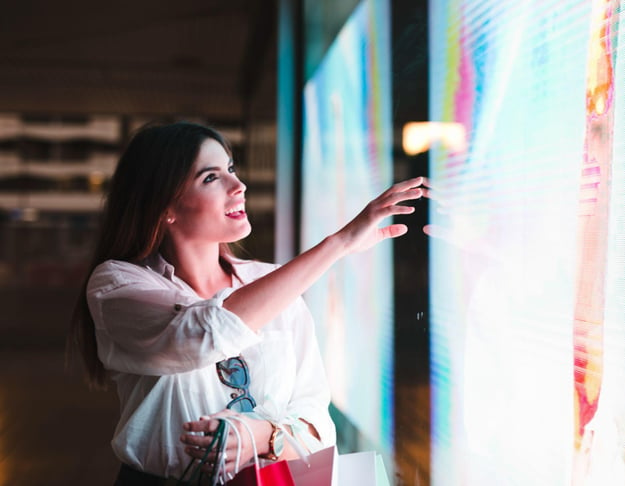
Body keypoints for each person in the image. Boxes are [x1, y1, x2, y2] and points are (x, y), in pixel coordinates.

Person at [67, 121, 427, 484]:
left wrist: (262, 437)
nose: (238, 187)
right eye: (211, 178)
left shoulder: (271, 283)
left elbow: (318, 423)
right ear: (164, 207)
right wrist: (338, 244)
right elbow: (201, 333)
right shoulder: (116, 285)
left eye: (231, 169)